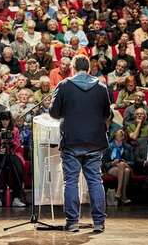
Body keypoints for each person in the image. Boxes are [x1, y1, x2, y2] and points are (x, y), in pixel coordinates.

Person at [49, 54, 110, 233]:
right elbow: (106, 114)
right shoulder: (101, 86)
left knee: (71, 182)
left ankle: (73, 222)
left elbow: (54, 113)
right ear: (89, 68)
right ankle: (99, 222)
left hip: (72, 141)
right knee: (95, 181)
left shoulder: (64, 85)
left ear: (73, 68)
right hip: (95, 142)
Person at [0, 111, 26, 207]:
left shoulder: (15, 130)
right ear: (0, 120)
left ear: (10, 120)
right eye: (3, 120)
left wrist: (10, 140)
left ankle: (17, 198)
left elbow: (17, 145)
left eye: (7, 120)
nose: (5, 122)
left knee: (19, 170)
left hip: (12, 153)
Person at [102, 130, 134, 205]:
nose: (122, 136)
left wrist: (125, 162)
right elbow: (103, 163)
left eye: (123, 135)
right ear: (115, 136)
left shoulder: (128, 147)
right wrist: (112, 163)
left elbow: (133, 162)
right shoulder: (109, 147)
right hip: (111, 168)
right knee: (125, 169)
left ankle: (119, 193)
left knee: (124, 168)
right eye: (120, 135)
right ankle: (123, 196)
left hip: (125, 167)